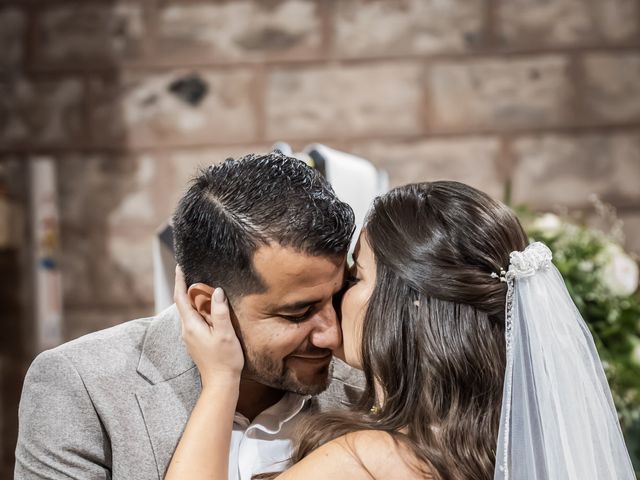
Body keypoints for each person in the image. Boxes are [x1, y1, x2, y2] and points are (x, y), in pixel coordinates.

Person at [167, 181, 636, 480]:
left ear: (405, 306)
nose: (332, 313)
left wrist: (221, 379)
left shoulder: (372, 460)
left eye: (356, 278)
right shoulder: (496, 442)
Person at [15, 153, 364, 480]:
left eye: (337, 297)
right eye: (298, 313)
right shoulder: (81, 387)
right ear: (205, 305)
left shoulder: (369, 388)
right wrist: (222, 383)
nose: (331, 337)